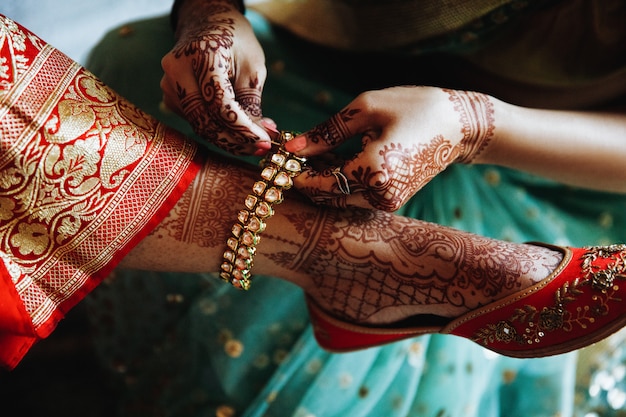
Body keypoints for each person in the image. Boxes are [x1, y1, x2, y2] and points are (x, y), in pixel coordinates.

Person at [1, 1, 625, 416]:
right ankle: (338, 255)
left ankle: (333, 253)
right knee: (137, 67)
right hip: (330, 75)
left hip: (552, 155)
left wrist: (473, 125)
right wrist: (212, 13)